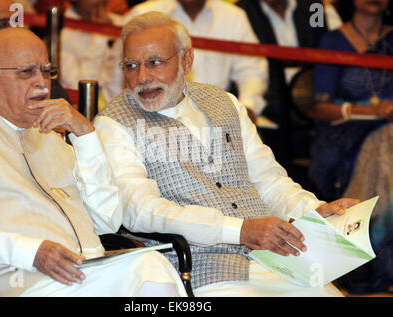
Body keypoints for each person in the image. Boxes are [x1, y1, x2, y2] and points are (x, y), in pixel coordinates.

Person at [86, 11, 360, 297]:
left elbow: (269, 180)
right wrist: (239, 230)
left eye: (155, 63)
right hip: (203, 270)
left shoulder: (224, 102)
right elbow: (141, 211)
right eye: (131, 65)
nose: (142, 77)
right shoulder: (114, 123)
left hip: (279, 259)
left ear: (186, 60)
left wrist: (313, 210)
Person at [0, 27, 187, 297]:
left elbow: (107, 220)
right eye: (27, 72)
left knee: (150, 265)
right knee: (146, 270)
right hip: (18, 281)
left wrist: (85, 135)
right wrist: (31, 252)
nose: (41, 83)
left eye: (46, 71)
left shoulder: (51, 135)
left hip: (87, 273)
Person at [309, 0, 393, 294]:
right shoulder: (332, 40)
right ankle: (379, 268)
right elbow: (320, 108)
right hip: (344, 134)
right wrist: (372, 112)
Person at [109, 0, 268, 120]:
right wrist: (127, 117)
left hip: (220, 118)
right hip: (151, 118)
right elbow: (116, 76)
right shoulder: (142, 14)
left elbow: (251, 70)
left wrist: (247, 108)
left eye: (154, 62)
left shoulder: (233, 17)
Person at [235, 0, 342, 172]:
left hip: (316, 95)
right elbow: (248, 69)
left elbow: (325, 42)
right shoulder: (242, 12)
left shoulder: (314, 8)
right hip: (269, 101)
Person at [59, 0, 124, 111]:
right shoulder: (64, 32)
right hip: (84, 110)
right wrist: (101, 34)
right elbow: (77, 88)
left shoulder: (119, 22)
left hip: (119, 106)